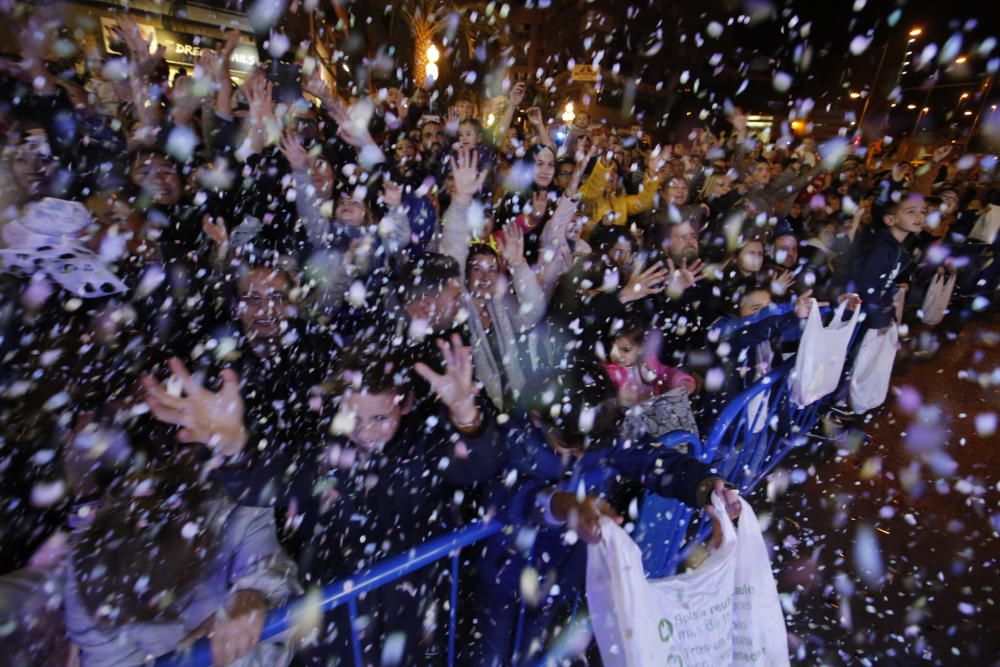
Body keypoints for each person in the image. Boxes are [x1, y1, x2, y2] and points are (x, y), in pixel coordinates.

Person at [474, 365, 741, 665]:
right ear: (538, 419)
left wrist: (703, 485)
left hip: (564, 576)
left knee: (541, 649)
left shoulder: (597, 426)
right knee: (494, 653)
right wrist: (566, 505)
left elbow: (651, 459)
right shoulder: (510, 440)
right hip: (507, 577)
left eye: (589, 445)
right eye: (569, 444)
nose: (580, 454)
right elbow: (512, 497)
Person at [63, 463, 301, 666]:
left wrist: (254, 597)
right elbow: (107, 659)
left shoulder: (238, 516)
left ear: (200, 546)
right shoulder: (88, 576)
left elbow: (284, 609)